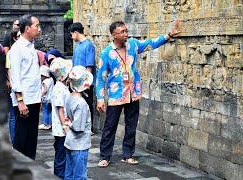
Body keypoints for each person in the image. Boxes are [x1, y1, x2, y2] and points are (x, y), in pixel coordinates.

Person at [96, 20, 180, 167]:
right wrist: (100, 99)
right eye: (122, 32)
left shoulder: (133, 45)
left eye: (126, 31)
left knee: (131, 124)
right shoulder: (106, 53)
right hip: (116, 95)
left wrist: (167, 36)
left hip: (133, 93)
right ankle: (105, 156)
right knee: (110, 126)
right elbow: (101, 78)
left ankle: (128, 154)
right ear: (113, 35)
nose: (126, 34)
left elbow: (151, 44)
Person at [9, 14, 42, 159]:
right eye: (37, 26)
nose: (39, 29)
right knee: (22, 139)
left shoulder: (31, 46)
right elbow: (15, 76)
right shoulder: (17, 48)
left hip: (34, 98)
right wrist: (20, 101)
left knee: (31, 139)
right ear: (27, 28)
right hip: (24, 101)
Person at [63, 66, 93, 180]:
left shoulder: (70, 97)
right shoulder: (81, 104)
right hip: (79, 144)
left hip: (70, 142)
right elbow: (78, 127)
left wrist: (68, 122)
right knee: (79, 176)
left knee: (69, 174)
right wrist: (70, 124)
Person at [69, 22, 96, 135]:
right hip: (76, 81)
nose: (71, 37)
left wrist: (86, 83)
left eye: (71, 34)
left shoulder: (88, 45)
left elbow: (89, 66)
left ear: (76, 32)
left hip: (85, 82)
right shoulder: (78, 46)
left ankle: (89, 127)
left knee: (87, 104)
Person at [50, 58, 73, 179]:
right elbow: (60, 109)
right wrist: (64, 125)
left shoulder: (63, 87)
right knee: (61, 156)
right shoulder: (59, 88)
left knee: (63, 155)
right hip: (61, 131)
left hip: (63, 129)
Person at [5, 30, 20, 144]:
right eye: (19, 36)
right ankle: (15, 141)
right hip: (13, 89)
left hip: (21, 90)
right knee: (13, 116)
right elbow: (8, 70)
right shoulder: (11, 53)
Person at [38, 65, 54, 130]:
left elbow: (45, 90)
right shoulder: (51, 79)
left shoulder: (45, 81)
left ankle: (45, 124)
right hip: (51, 99)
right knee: (49, 111)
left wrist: (40, 95)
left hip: (46, 99)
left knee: (45, 111)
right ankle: (50, 124)